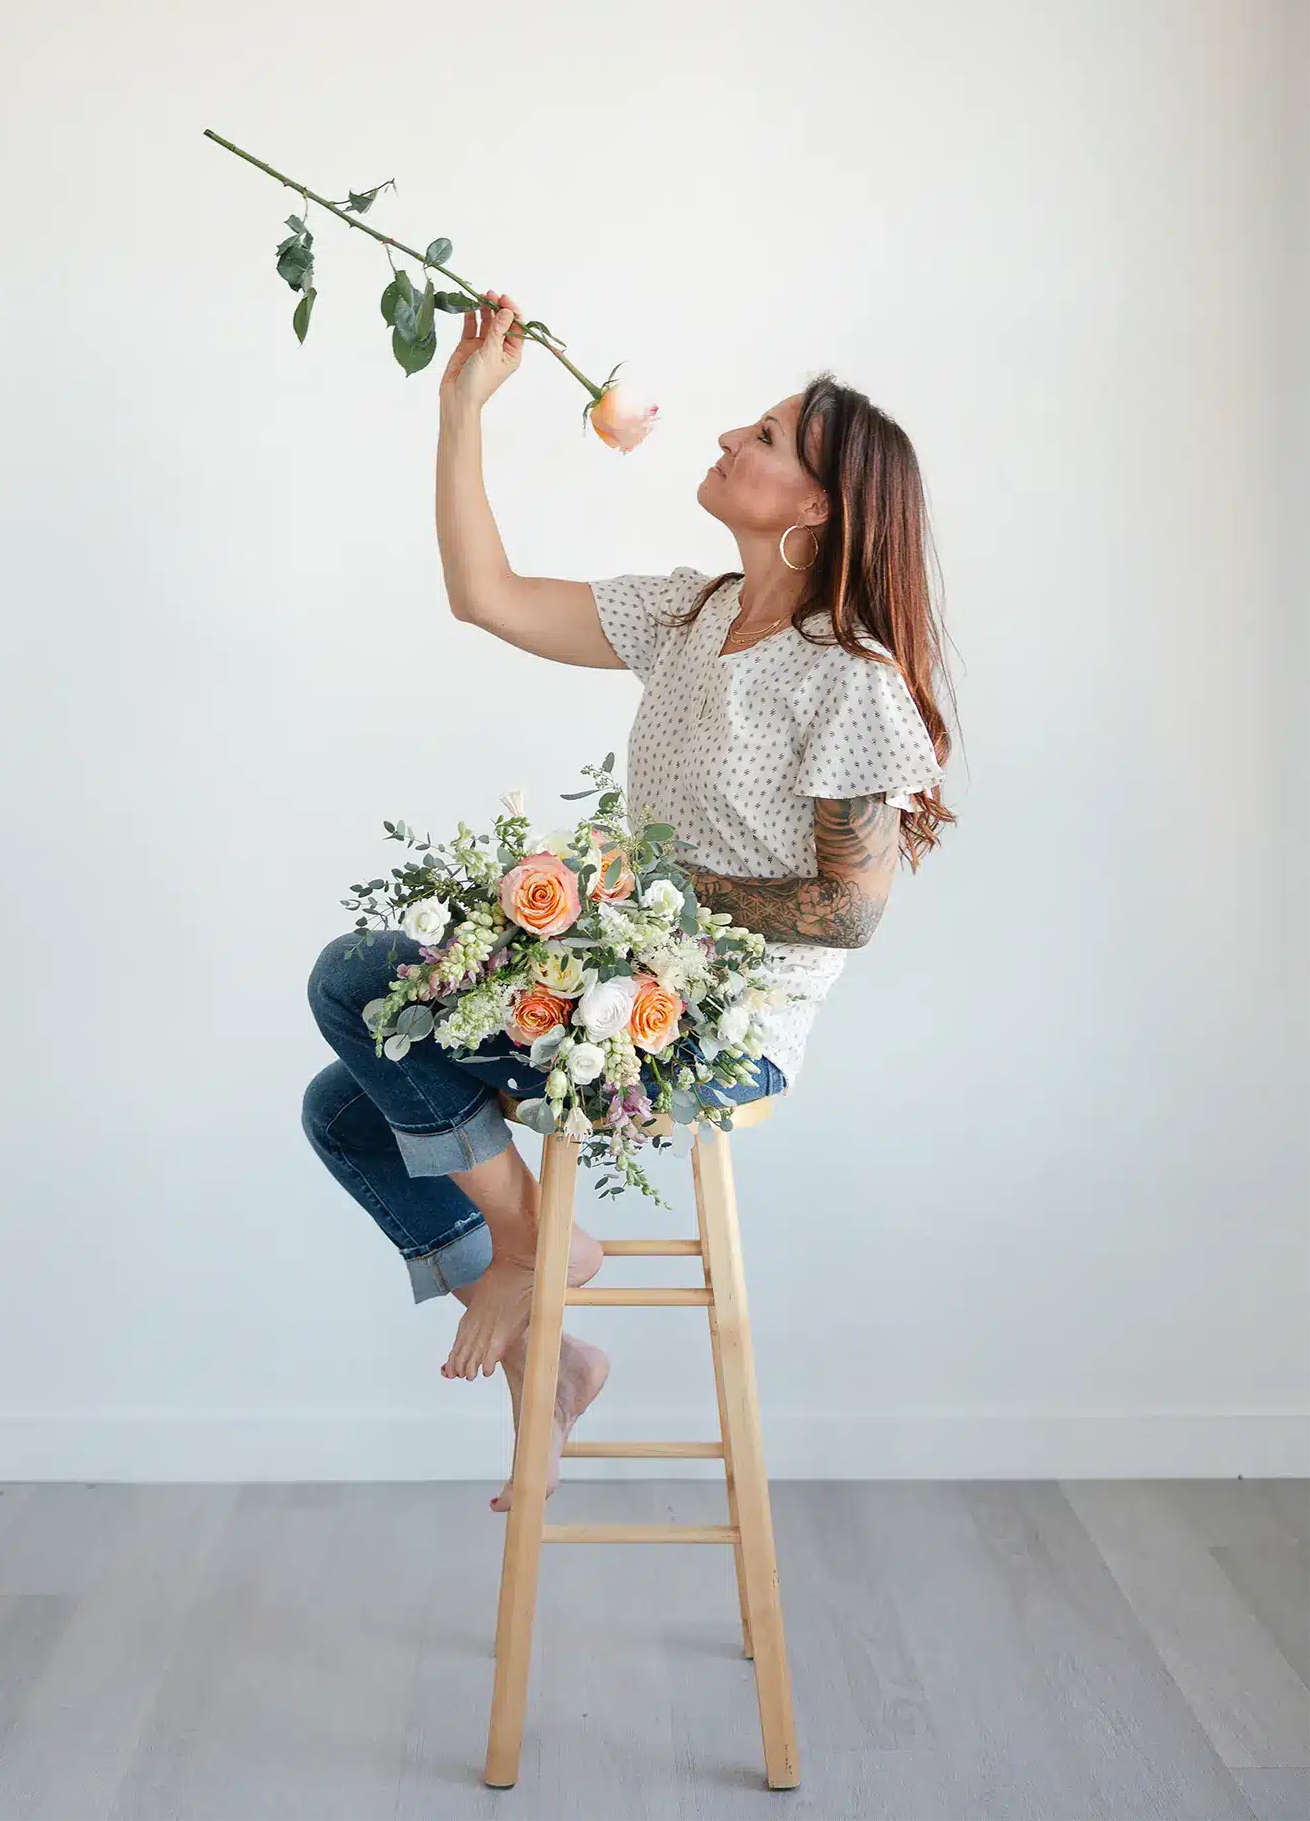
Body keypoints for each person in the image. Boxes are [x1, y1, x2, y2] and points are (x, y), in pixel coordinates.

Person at [303, 288, 956, 1511]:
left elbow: (851, 907)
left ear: (814, 505)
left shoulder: (848, 675)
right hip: (612, 981)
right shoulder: (691, 610)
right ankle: (553, 1348)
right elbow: (484, 593)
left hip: (716, 1031)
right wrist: (461, 408)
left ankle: (529, 1250)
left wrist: (634, 903)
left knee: (353, 976)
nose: (724, 438)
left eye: (760, 438)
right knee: (344, 1106)